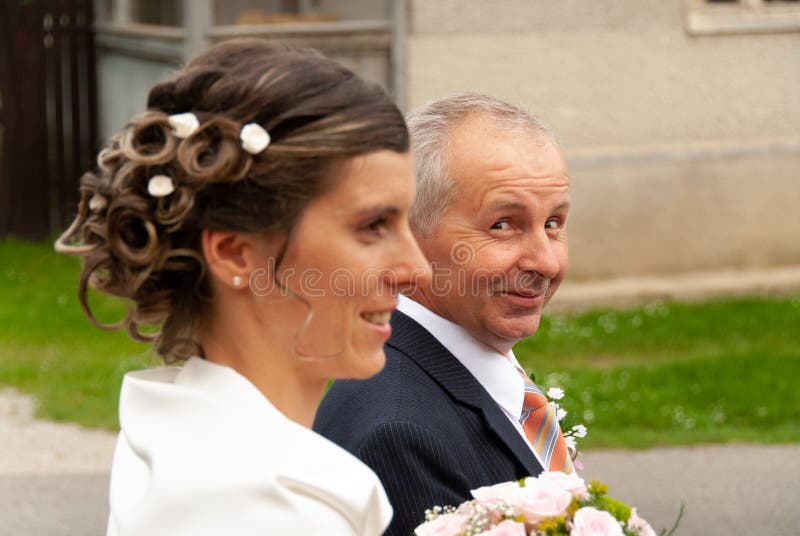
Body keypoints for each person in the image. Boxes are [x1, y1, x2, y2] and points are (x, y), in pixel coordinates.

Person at [55, 39, 429, 535]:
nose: (416, 268)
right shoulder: (266, 507)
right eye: (373, 225)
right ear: (235, 253)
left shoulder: (182, 436)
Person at [314, 93, 574, 535]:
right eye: (503, 225)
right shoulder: (399, 435)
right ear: (411, 235)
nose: (545, 262)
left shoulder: (457, 371)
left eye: (553, 223)